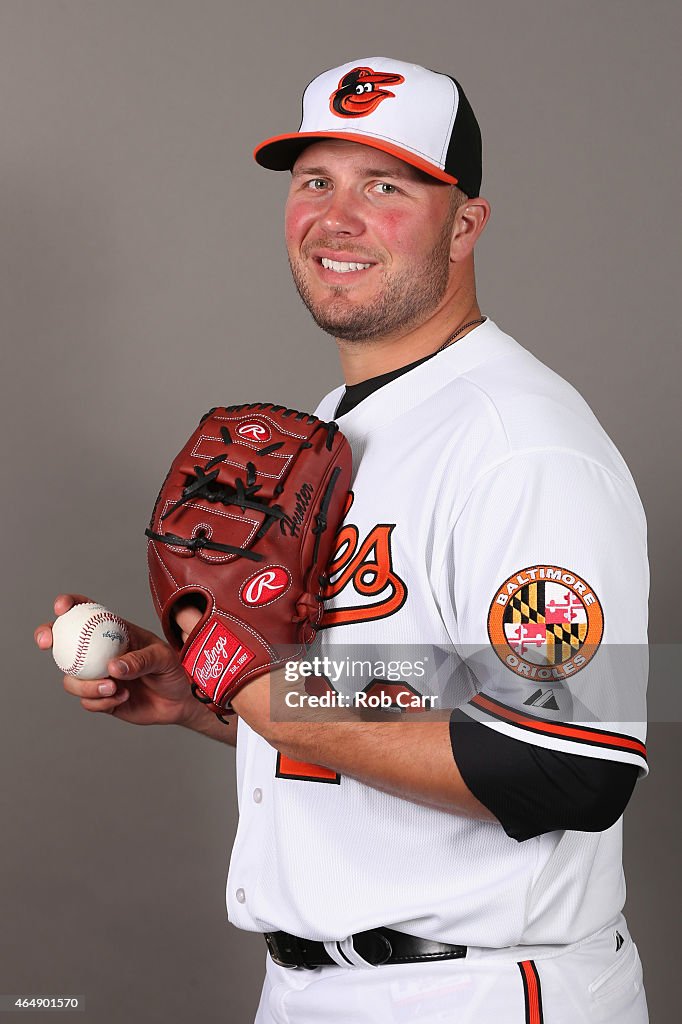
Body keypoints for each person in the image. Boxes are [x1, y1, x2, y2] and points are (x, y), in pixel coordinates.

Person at [35, 58, 649, 1022]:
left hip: (475, 990)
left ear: (467, 224)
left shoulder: (522, 444)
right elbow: (406, 695)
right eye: (315, 180)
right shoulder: (335, 425)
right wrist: (209, 699)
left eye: (387, 186)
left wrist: (249, 682)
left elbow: (570, 759)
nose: (337, 216)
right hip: (307, 989)